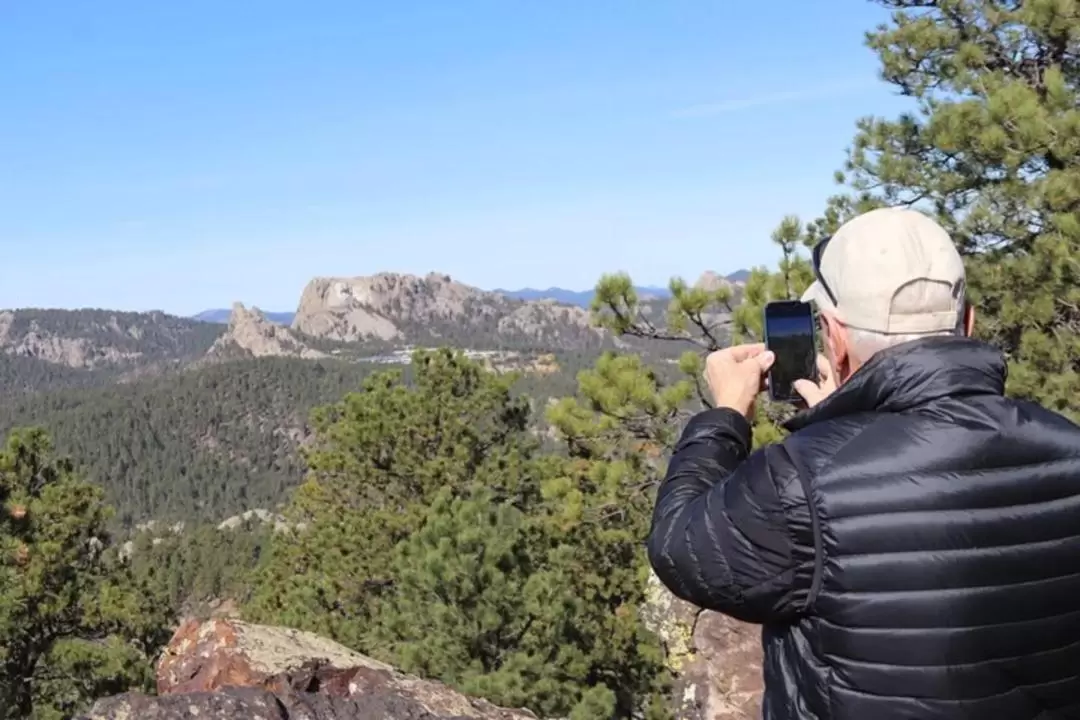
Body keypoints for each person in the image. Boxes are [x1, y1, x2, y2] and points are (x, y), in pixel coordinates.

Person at [647, 207, 1080, 720]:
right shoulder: (1067, 443)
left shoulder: (800, 481)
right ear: (968, 321)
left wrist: (726, 415)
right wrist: (838, 423)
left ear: (834, 336)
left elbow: (678, 545)